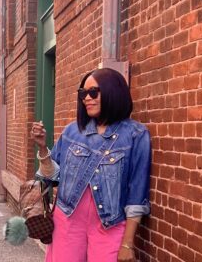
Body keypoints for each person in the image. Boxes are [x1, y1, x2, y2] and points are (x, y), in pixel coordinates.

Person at [30, 68, 151, 262]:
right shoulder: (73, 131)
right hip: (68, 221)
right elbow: (52, 176)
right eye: (83, 93)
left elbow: (137, 194)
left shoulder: (136, 135)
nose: (87, 98)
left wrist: (128, 243)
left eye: (93, 92)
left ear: (112, 92)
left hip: (109, 224)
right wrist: (43, 148)